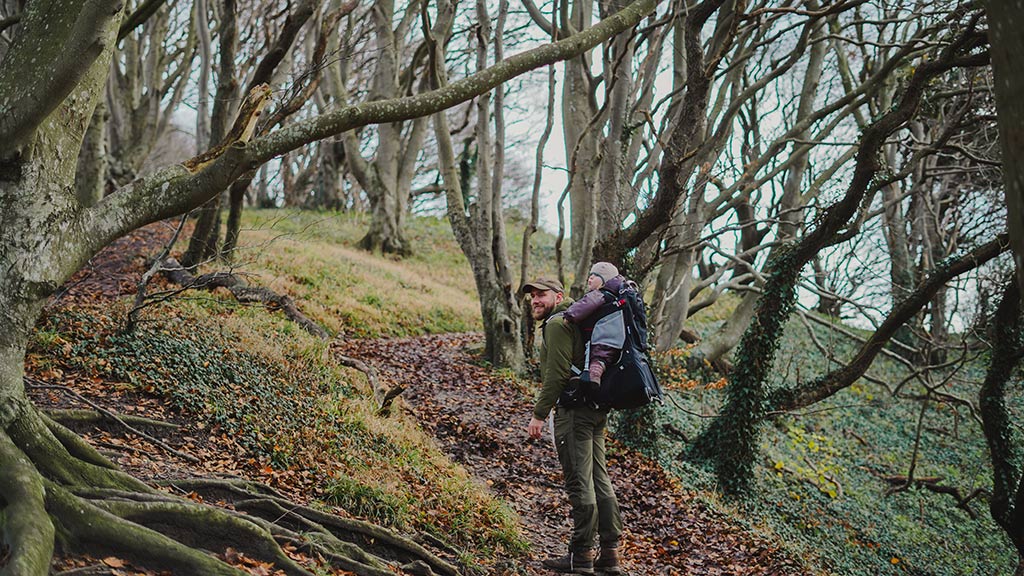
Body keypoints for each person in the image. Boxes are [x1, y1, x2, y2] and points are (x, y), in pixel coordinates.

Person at [523, 277, 623, 575]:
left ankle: (580, 555)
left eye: (541, 295)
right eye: (532, 297)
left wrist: (539, 414)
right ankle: (610, 554)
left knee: (580, 482)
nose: (535, 301)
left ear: (559, 296)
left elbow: (555, 376)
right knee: (599, 480)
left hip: (575, 411)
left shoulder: (557, 325)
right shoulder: (578, 319)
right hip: (594, 409)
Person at [563, 262, 625, 385]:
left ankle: (592, 378)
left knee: (597, 359)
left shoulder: (601, 294)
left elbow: (585, 305)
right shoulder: (618, 297)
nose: (590, 278)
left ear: (605, 281)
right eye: (590, 275)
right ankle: (595, 377)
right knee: (601, 360)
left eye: (595, 276)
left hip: (601, 337)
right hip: (617, 341)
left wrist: (569, 316)